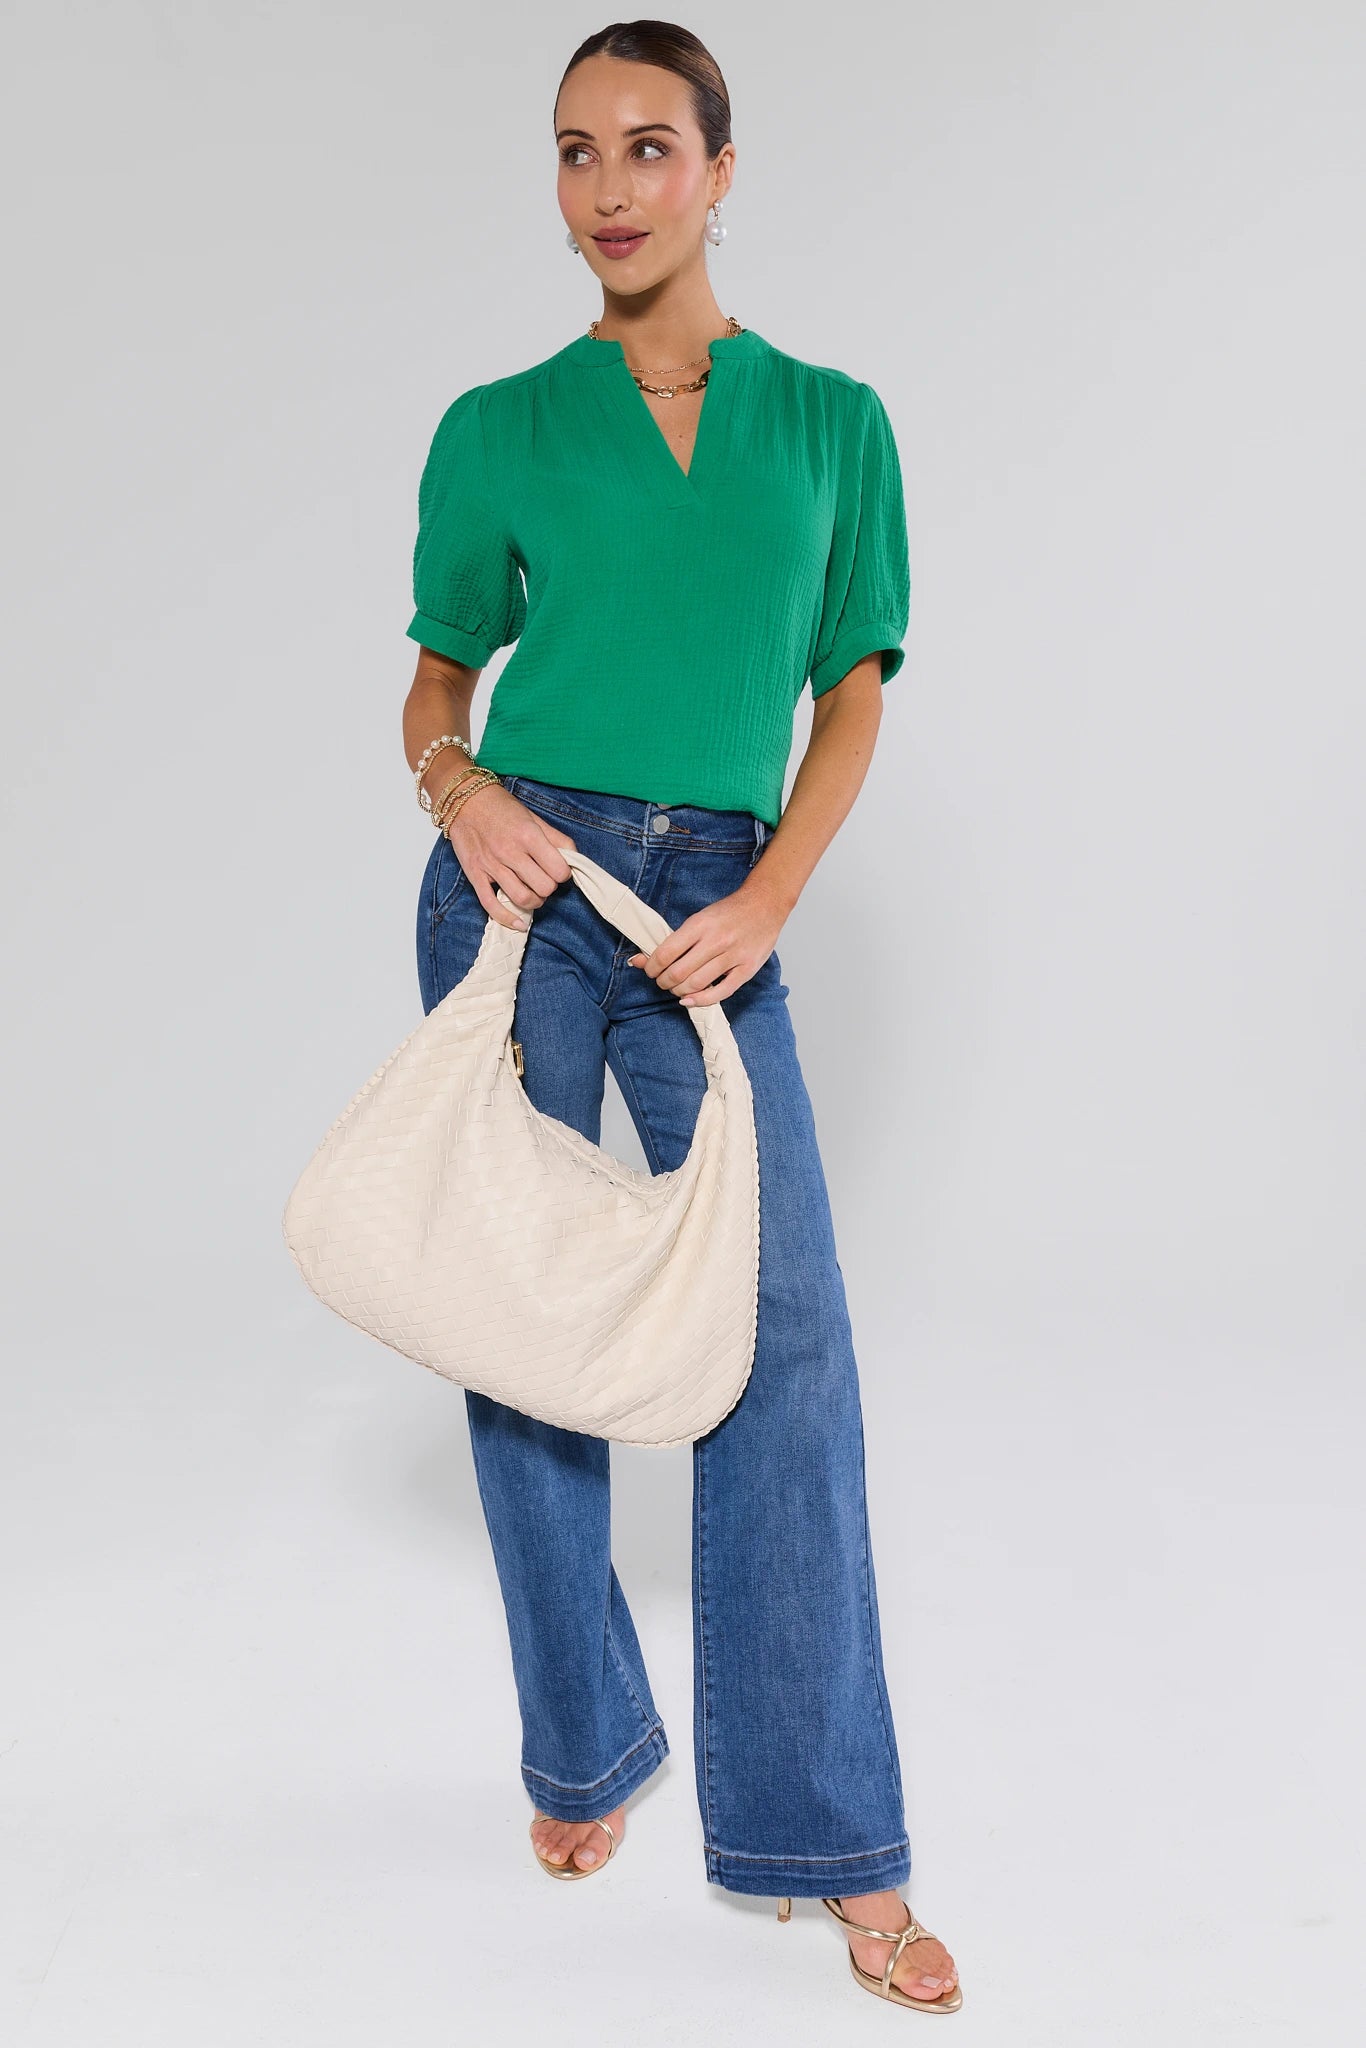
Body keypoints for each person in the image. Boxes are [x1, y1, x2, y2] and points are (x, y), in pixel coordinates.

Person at [400, 20, 961, 2016]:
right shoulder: (495, 425)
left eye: (647, 147)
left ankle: (829, 1845)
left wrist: (765, 899)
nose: (608, 189)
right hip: (524, 888)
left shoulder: (832, 424)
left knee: (779, 1337)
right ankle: (580, 1746)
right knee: (523, 1322)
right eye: (572, 155)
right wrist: (457, 792)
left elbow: (853, 694)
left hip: (713, 898)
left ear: (721, 168)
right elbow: (435, 687)